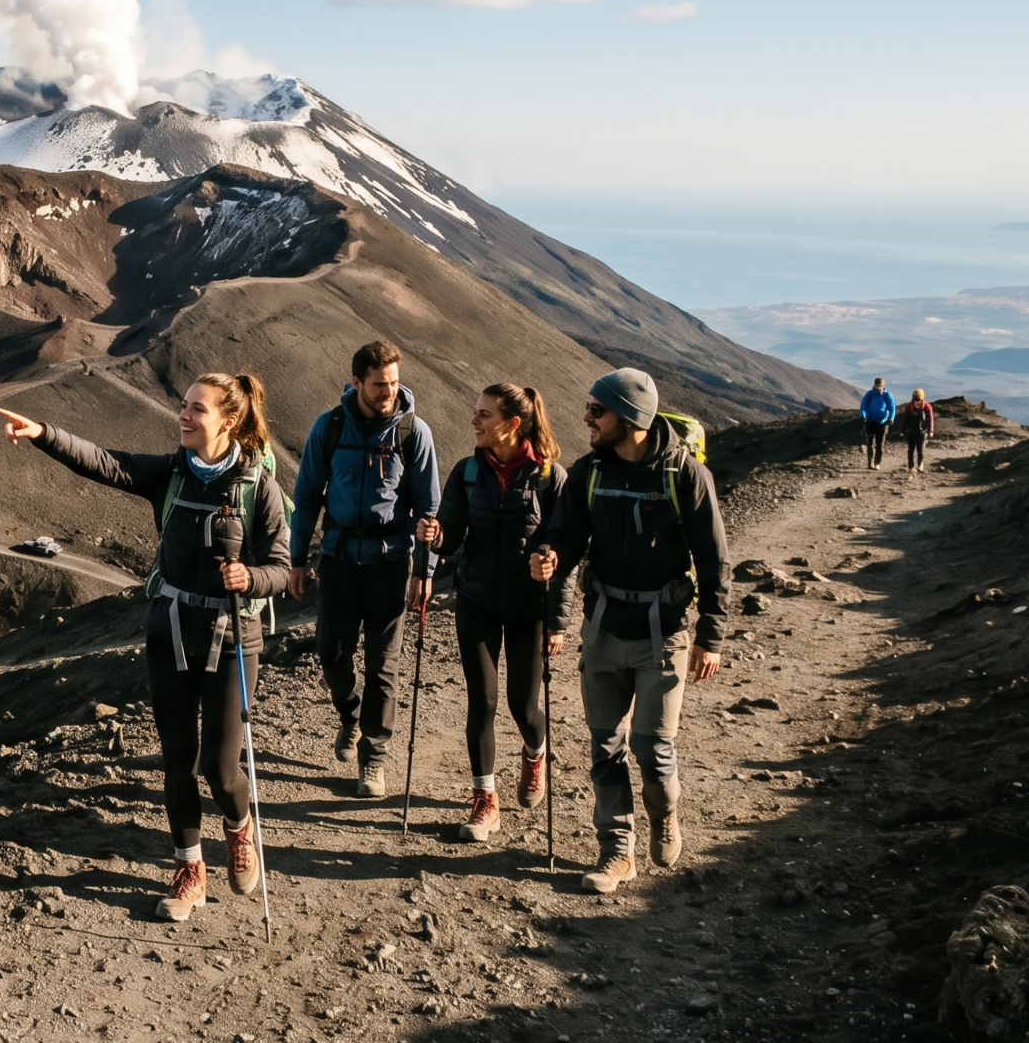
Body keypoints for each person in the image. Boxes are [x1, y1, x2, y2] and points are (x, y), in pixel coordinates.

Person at [0, 371, 293, 923]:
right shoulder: (173, 473)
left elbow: (282, 567)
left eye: (196, 410)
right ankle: (189, 870)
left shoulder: (259, 488)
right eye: (183, 405)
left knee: (221, 768)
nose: (183, 415)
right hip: (171, 630)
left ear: (227, 421)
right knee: (177, 760)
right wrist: (43, 433)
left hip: (232, 639)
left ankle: (239, 826)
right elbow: (105, 462)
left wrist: (249, 579)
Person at [530, 368, 728, 894]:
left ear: (632, 417)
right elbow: (565, 536)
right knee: (604, 746)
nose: (587, 418)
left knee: (652, 750)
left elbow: (714, 561)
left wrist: (712, 635)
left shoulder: (684, 476)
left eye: (598, 410)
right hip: (602, 629)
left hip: (664, 634)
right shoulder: (589, 472)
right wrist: (551, 557)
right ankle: (617, 851)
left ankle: (664, 813)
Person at [416, 384, 579, 842]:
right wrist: (436, 534)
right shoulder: (467, 472)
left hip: (531, 608)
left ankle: (535, 753)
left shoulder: (551, 477)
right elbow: (451, 535)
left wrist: (559, 621)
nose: (474, 421)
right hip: (477, 599)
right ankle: (485, 799)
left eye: (484, 415)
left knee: (524, 706)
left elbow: (563, 553)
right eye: (475, 412)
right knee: (482, 701)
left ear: (512, 425)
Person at [290, 340, 441, 797]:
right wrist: (296, 560)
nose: (388, 392)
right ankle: (350, 715)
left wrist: (425, 570)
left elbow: (428, 507)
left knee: (383, 667)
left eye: (394, 383)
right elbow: (307, 496)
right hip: (336, 560)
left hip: (390, 564)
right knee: (330, 652)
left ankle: (373, 758)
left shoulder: (414, 433)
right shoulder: (330, 426)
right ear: (356, 382)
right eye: (379, 385)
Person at [859, 377, 896, 470]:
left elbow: (892, 407)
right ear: (874, 385)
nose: (879, 388)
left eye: (880, 386)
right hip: (870, 421)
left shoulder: (887, 395)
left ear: (883, 386)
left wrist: (891, 418)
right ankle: (870, 462)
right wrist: (863, 415)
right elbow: (863, 405)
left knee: (880, 444)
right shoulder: (870, 394)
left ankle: (877, 463)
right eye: (877, 386)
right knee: (870, 443)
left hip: (882, 423)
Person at [899, 388, 936, 473]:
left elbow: (930, 420)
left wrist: (931, 431)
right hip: (911, 431)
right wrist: (902, 430)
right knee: (911, 450)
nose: (916, 403)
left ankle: (920, 465)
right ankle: (911, 466)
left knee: (920, 449)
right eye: (915, 401)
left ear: (922, 399)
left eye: (918, 401)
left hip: (922, 432)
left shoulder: (927, 407)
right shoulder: (909, 407)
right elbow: (906, 419)